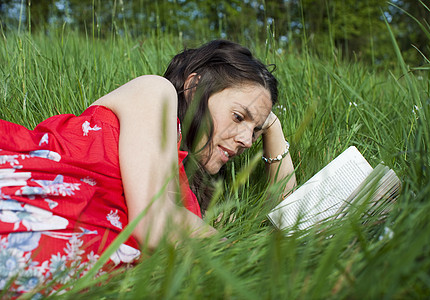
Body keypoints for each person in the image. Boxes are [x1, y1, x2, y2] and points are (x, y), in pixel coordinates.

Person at [0, 40, 296, 294]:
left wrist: (271, 126)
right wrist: (255, 267)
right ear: (195, 87)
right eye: (237, 116)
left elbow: (293, 218)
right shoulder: (156, 92)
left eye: (254, 130)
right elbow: (154, 222)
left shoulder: (191, 193)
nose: (246, 139)